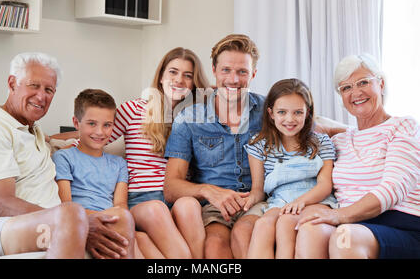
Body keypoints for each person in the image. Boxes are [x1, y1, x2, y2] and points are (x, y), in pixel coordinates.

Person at [51, 47, 210, 258]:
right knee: (156, 209)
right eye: (173, 72)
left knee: (190, 205)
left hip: (178, 193)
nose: (179, 80)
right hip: (141, 197)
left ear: (193, 84)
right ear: (161, 76)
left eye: (187, 75)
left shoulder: (197, 118)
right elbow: (97, 134)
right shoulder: (134, 110)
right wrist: (49, 139)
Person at [294, 53, 420, 259]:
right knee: (310, 229)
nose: (356, 92)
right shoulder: (339, 141)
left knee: (344, 238)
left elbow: (393, 189)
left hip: (402, 225)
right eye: (346, 87)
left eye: (363, 82)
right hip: (354, 225)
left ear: (381, 84)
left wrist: (337, 215)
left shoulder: (403, 127)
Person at [0, 52, 90, 258]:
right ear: (12, 83)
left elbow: (56, 139)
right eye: (34, 85)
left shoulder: (34, 132)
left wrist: (89, 132)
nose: (41, 96)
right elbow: (1, 204)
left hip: (46, 223)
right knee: (71, 213)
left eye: (49, 90)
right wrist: (71, 220)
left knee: (120, 218)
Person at [163, 34, 267, 258]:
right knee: (214, 246)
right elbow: (171, 187)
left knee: (249, 238)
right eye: (226, 70)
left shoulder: (270, 110)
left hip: (262, 202)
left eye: (242, 72)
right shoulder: (189, 118)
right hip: (215, 209)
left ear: (253, 74)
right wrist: (208, 191)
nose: (234, 79)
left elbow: (309, 128)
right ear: (214, 70)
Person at [244, 78, 338, 259]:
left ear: (307, 113)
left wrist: (300, 202)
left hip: (315, 198)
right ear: (271, 113)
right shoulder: (259, 145)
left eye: (297, 112)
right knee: (263, 226)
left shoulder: (321, 142)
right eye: (282, 112)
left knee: (286, 222)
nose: (290, 119)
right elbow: (258, 189)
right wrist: (246, 201)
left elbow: (325, 185)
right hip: (280, 200)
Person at [52, 89, 136, 259]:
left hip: (115, 219)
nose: (100, 132)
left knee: (144, 239)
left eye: (107, 125)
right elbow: (66, 204)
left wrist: (116, 217)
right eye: (92, 123)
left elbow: (121, 204)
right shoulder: (64, 157)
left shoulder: (119, 164)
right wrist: (109, 217)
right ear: (76, 123)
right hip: (83, 219)